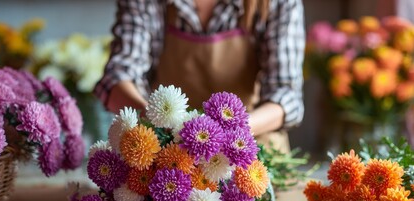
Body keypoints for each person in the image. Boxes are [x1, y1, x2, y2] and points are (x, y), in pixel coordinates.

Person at [94, 0, 305, 152]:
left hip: (250, 145)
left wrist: (223, 135)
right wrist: (161, 130)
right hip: (167, 149)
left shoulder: (278, 3)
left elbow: (286, 96)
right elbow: (118, 77)